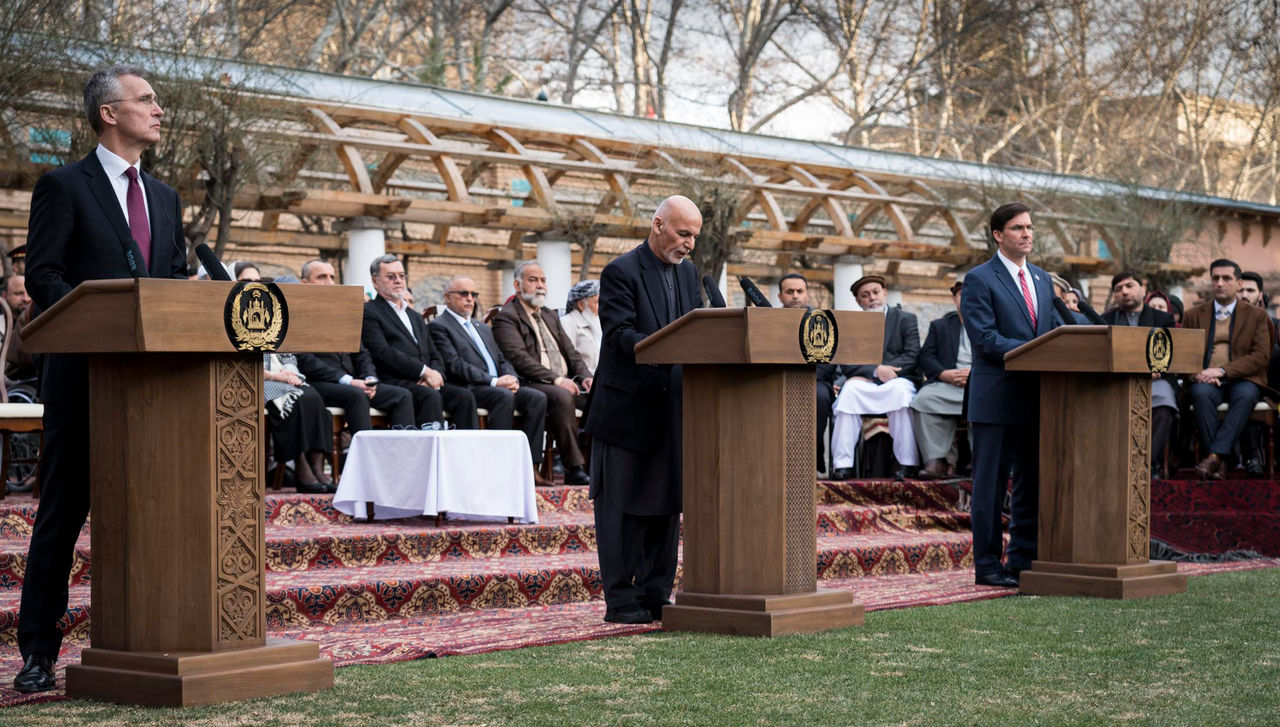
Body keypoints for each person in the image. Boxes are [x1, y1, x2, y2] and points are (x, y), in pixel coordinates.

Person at [16, 66, 188, 693]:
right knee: (62, 515)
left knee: (159, 513)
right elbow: (44, 277)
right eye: (147, 101)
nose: (159, 110)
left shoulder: (165, 197)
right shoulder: (63, 186)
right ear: (109, 113)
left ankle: (155, 633)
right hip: (83, 382)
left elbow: (170, 278)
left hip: (156, 390)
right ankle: (38, 650)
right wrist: (105, 324)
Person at [583, 195, 702, 625]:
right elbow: (619, 335)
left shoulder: (689, 274)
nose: (689, 244)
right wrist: (674, 350)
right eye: (683, 233)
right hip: (626, 411)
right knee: (622, 510)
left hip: (673, 409)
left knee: (666, 508)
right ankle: (620, 600)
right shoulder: (621, 271)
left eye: (694, 236)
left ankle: (656, 595)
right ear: (658, 225)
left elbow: (699, 326)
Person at [961, 202, 1061, 588]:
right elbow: (985, 339)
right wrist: (1037, 350)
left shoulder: (1041, 279)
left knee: (1031, 481)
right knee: (990, 485)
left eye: (1030, 227)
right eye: (1018, 228)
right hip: (996, 397)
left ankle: (1021, 559)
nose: (1027, 234)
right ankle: (987, 565)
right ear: (998, 235)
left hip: (1037, 396)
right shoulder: (979, 279)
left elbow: (1052, 331)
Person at [427, 275, 551, 482]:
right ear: (447, 298)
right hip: (470, 386)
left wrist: (511, 377)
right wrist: (494, 381)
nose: (469, 298)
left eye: (473, 294)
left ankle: (530, 467)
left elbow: (501, 358)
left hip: (498, 384)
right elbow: (454, 364)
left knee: (537, 398)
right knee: (502, 396)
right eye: (463, 293)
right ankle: (496, 466)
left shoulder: (482, 327)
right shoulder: (439, 326)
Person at [493, 261, 593, 487]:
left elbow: (571, 352)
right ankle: (574, 468)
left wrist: (586, 376)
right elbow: (518, 358)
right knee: (561, 396)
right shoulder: (507, 317)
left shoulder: (549, 315)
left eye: (543, 280)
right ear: (517, 285)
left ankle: (601, 464)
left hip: (566, 381)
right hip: (531, 382)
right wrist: (556, 379)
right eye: (533, 280)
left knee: (601, 396)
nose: (540, 286)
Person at [295, 259, 415, 437]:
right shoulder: (297, 314)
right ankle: (364, 460)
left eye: (332, 277)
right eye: (322, 277)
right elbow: (305, 360)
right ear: (304, 283)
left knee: (402, 395)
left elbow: (362, 353)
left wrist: (370, 378)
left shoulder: (341, 313)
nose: (329, 282)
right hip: (320, 383)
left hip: (354, 382)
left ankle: (402, 457)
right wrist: (347, 380)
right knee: (355, 395)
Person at [361, 254, 478, 428]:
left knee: (464, 396)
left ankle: (466, 452)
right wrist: (423, 372)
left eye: (401, 276)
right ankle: (427, 452)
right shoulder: (369, 312)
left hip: (426, 380)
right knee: (428, 396)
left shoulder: (414, 316)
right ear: (375, 282)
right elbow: (383, 352)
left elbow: (433, 352)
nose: (398, 281)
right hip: (395, 380)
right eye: (391, 277)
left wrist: (436, 374)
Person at [1182, 259, 1272, 480]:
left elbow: (1261, 356)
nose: (1220, 283)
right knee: (1200, 394)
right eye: (1215, 278)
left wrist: (1221, 371)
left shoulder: (1256, 316)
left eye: (1227, 278)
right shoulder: (1193, 315)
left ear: (1239, 283)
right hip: (1205, 379)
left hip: (1244, 378)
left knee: (1246, 395)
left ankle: (1215, 456)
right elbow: (1183, 355)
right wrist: (1199, 374)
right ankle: (1223, 459)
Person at [830, 275, 921, 480]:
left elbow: (913, 354)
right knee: (849, 392)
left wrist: (888, 372)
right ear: (858, 301)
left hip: (898, 379)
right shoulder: (851, 325)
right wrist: (875, 371)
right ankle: (842, 465)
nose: (872, 298)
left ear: (884, 292)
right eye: (865, 295)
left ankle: (906, 464)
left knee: (900, 394)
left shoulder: (905, 319)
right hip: (865, 381)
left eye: (875, 292)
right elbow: (847, 361)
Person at [1101, 271, 1178, 475]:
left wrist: (1156, 367)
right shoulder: (1104, 320)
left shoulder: (1163, 319)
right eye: (1118, 289)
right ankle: (1112, 465)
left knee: (1164, 406)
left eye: (1129, 286)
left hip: (1155, 379)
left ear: (1143, 289)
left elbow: (1171, 352)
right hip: (1117, 381)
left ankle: (1143, 465)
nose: (1124, 292)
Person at [777, 273, 840, 472]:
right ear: (780, 297)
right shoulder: (771, 320)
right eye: (790, 292)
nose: (795, 296)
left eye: (799, 291)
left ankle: (812, 457)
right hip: (777, 378)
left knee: (819, 396)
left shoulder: (822, 320)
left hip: (815, 379)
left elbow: (829, 359)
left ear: (806, 295)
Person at [910, 280, 972, 480]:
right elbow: (926, 356)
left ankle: (980, 460)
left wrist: (975, 374)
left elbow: (999, 355)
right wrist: (944, 374)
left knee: (992, 401)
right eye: (962, 294)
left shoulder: (990, 324)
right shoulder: (941, 325)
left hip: (979, 384)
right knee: (922, 401)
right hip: (947, 383)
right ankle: (935, 460)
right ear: (954, 299)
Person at [263, 353, 334, 493]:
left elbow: (287, 353)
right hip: (260, 379)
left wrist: (291, 372)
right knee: (296, 399)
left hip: (285, 377)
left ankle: (318, 470)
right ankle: (301, 467)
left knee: (313, 397)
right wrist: (277, 376)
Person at [560, 279, 602, 375]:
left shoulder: (595, 322)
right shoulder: (567, 323)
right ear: (581, 304)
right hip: (583, 380)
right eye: (597, 302)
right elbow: (568, 359)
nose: (601, 308)